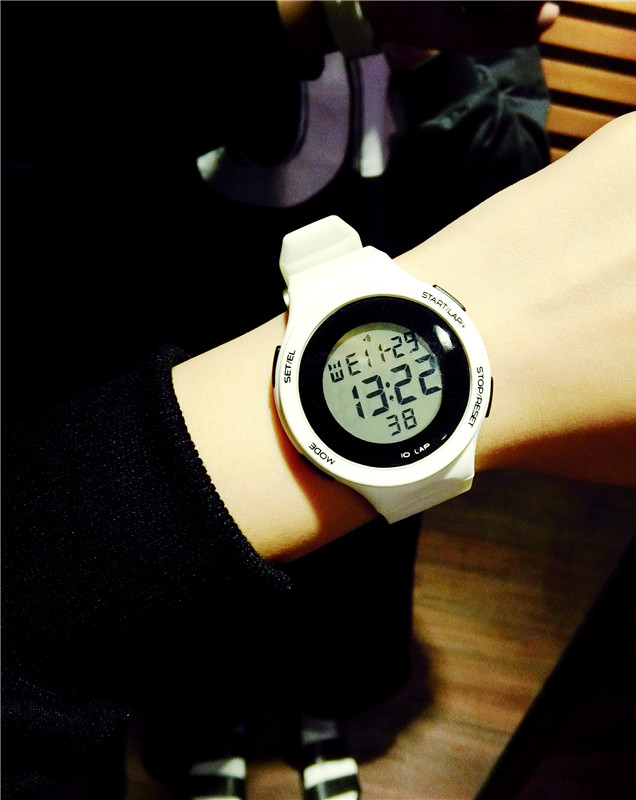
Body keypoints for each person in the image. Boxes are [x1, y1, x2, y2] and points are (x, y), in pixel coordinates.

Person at [3, 101, 636, 797]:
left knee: (350, 588)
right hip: (187, 302)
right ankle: (218, 721)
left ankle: (316, 709)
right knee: (220, 616)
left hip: (351, 283)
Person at [2, 1, 561, 795]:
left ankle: (322, 707)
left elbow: (510, 174)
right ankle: (206, 719)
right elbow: (77, 129)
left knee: (356, 559)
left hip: (384, 351)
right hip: (186, 329)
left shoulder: (474, 19)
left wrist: (439, 60)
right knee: (206, 548)